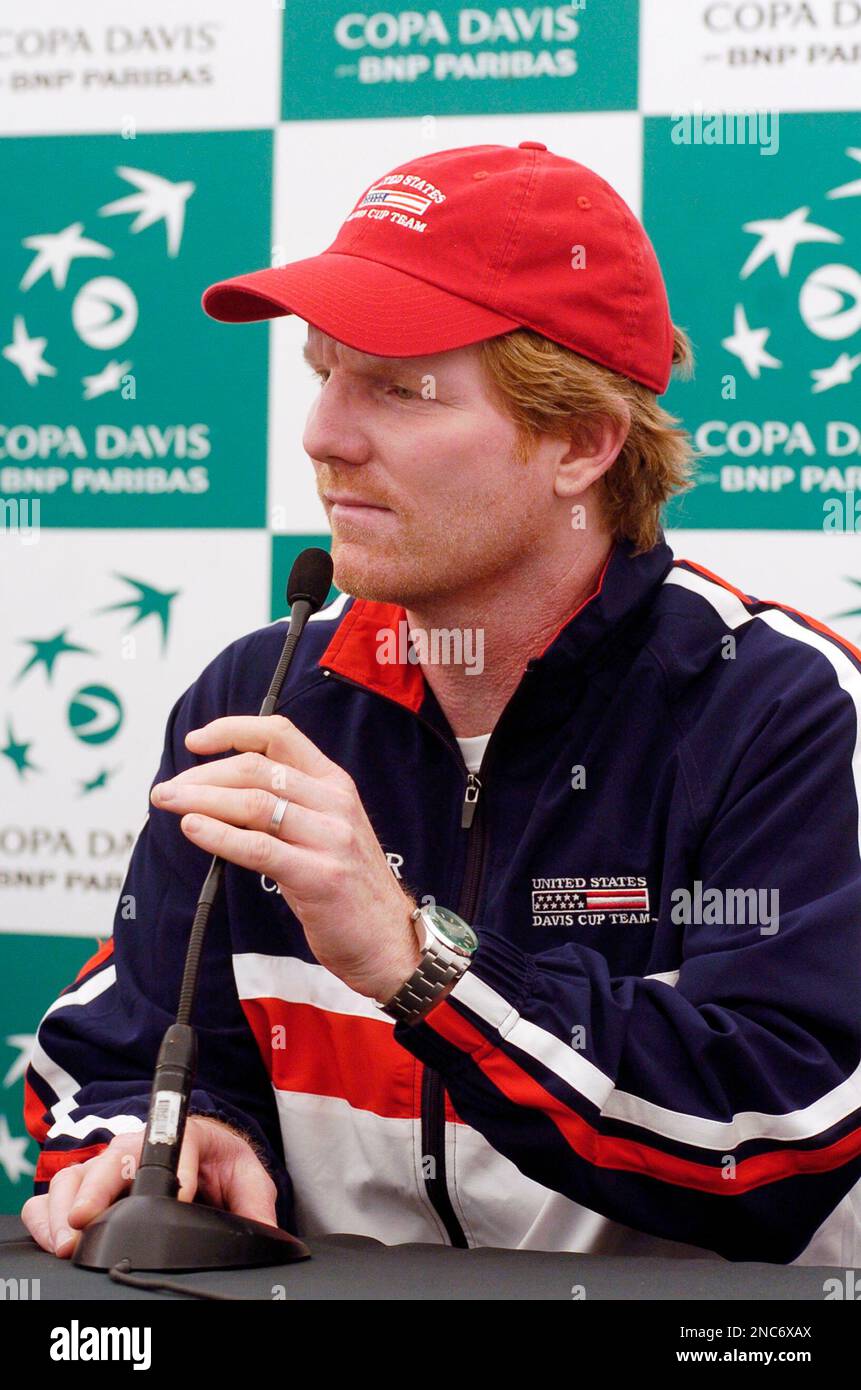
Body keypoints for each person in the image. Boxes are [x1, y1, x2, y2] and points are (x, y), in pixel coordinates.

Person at [22, 142, 861, 1266]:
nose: (323, 434)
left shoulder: (783, 709)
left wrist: (422, 963)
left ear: (579, 441)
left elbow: (783, 1136)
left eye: (398, 387)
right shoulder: (261, 694)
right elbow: (124, 1036)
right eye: (323, 372)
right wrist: (171, 1130)